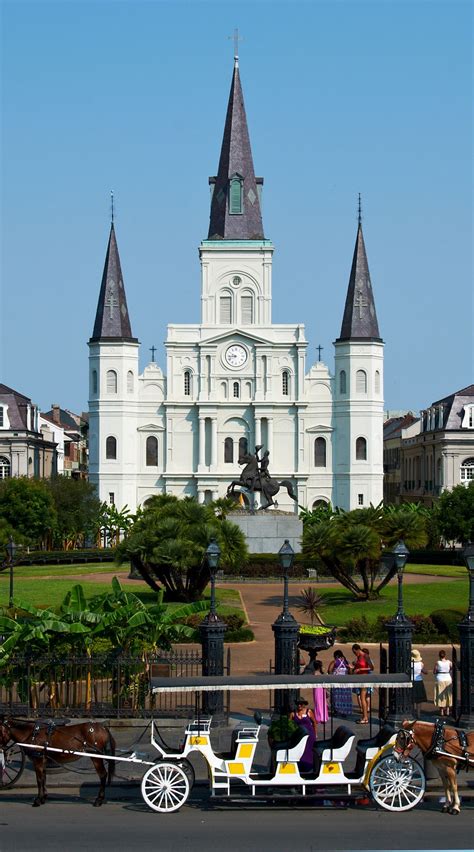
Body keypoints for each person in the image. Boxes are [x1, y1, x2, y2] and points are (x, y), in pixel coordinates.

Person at [289, 698, 317, 772]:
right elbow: (289, 725)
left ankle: (310, 766)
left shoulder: (309, 712)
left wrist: (315, 733)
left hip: (309, 735)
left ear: (304, 704)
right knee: (300, 751)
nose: (299, 705)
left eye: (301, 704)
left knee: (309, 752)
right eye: (298, 704)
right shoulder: (293, 714)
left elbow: (314, 722)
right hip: (299, 736)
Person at [351, 643, 372, 724]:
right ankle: (364, 716)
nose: (354, 654)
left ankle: (365, 717)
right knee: (361, 697)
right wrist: (354, 667)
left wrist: (361, 669)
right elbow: (358, 665)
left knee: (362, 698)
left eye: (354, 652)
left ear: (357, 649)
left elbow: (371, 667)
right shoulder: (358, 656)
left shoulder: (365, 656)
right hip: (359, 678)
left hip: (365, 678)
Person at [328, 650, 352, 717]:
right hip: (345, 682)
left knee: (336, 696)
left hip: (337, 682)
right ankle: (344, 711)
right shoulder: (346, 662)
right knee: (345, 698)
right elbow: (350, 672)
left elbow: (329, 670)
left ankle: (336, 710)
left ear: (336, 656)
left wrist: (333, 674)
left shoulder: (334, 661)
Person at [433, 650, 453, 716]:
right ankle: (447, 710)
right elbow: (452, 669)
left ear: (439, 656)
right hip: (448, 679)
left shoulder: (437, 662)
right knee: (448, 694)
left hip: (440, 679)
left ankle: (441, 711)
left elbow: (434, 671)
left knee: (440, 695)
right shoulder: (449, 662)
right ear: (445, 655)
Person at [411, 649, 427, 714]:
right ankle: (418, 714)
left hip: (411, 681)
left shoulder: (410, 663)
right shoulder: (421, 664)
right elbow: (425, 672)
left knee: (411, 698)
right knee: (419, 700)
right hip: (419, 681)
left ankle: (412, 713)